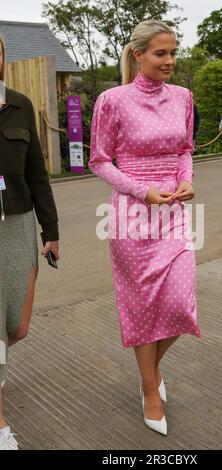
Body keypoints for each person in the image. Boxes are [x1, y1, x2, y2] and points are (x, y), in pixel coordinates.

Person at [89, 20, 201, 436]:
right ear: (138, 55)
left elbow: (185, 150)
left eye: (173, 52)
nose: (170, 61)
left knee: (179, 304)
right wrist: (141, 191)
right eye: (161, 53)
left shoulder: (184, 97)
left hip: (174, 214)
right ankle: (150, 389)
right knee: (141, 307)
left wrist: (187, 179)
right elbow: (99, 161)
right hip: (132, 217)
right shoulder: (112, 101)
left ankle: (148, 372)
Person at [0, 35, 59, 450]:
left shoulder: (19, 104)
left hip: (18, 224)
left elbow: (38, 173)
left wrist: (51, 231)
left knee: (16, 327)